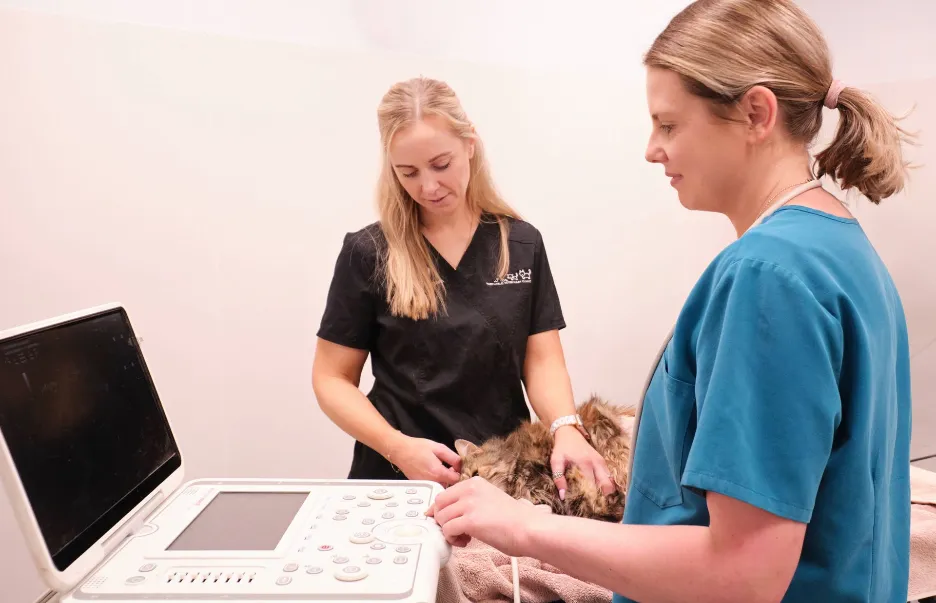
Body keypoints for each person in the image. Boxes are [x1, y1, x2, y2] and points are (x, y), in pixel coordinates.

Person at [428, 1, 915, 602]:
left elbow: (743, 572)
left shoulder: (768, 278)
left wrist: (527, 527)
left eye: (669, 124)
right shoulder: (837, 244)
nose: (652, 149)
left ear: (756, 113)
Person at [312, 76, 613, 496]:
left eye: (441, 163)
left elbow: (541, 362)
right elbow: (331, 379)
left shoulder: (521, 244)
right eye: (408, 172)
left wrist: (565, 427)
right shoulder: (369, 253)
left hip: (503, 478)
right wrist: (396, 448)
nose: (428, 187)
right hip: (397, 479)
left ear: (470, 143)